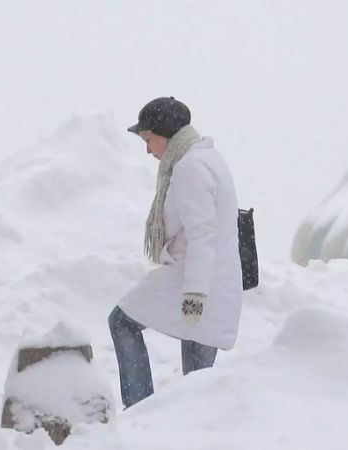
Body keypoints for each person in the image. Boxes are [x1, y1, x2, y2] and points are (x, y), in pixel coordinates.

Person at [108, 97, 243, 409]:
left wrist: (195, 295)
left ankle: (140, 411)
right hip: (205, 282)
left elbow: (202, 237)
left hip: (197, 283)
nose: (147, 149)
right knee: (195, 390)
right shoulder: (204, 158)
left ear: (164, 133)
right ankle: (161, 424)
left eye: (147, 139)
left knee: (121, 322)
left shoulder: (190, 168)